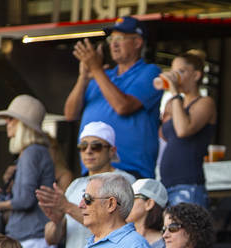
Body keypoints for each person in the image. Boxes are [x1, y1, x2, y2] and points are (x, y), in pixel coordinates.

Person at [65, 16, 162, 180]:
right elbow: (70, 114)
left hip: (131, 170)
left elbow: (123, 106)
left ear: (137, 42)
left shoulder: (150, 72)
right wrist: (83, 78)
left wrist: (96, 69)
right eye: (111, 39)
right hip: (93, 170)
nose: (113, 44)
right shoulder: (103, 76)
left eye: (120, 39)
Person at [39, 122, 136, 248]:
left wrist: (67, 206)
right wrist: (57, 221)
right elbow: (51, 239)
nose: (88, 151)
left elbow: (113, 225)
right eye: (83, 147)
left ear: (112, 151)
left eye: (96, 146)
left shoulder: (124, 181)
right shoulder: (75, 185)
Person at [0, 95, 56, 248]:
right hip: (30, 235)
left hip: (31, 236)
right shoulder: (32, 152)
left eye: (11, 119)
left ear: (24, 125)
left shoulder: (31, 152)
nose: (7, 123)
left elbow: (26, 199)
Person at [159, 50, 216, 207]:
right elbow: (164, 136)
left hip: (188, 184)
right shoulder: (175, 103)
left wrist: (175, 94)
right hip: (166, 184)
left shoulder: (205, 102)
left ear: (196, 75)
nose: (176, 76)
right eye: (173, 71)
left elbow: (183, 130)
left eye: (181, 71)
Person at [128, 179, 173, 248]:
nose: (125, 204)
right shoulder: (123, 239)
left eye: (132, 198)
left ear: (149, 204)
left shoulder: (165, 246)